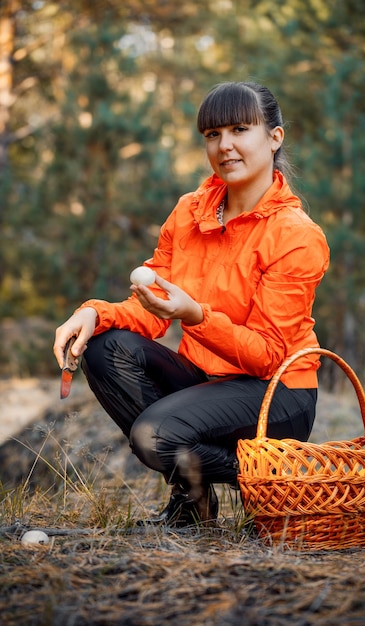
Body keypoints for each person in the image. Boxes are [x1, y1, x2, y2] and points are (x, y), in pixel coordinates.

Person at [53, 81, 330, 528]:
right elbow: (151, 306)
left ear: (274, 137)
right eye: (212, 134)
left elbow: (268, 356)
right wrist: (93, 313)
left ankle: (277, 476)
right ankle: (193, 507)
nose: (225, 146)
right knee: (105, 348)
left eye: (241, 129)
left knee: (154, 438)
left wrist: (196, 317)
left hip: (276, 395)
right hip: (206, 381)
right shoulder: (189, 212)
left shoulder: (296, 235)